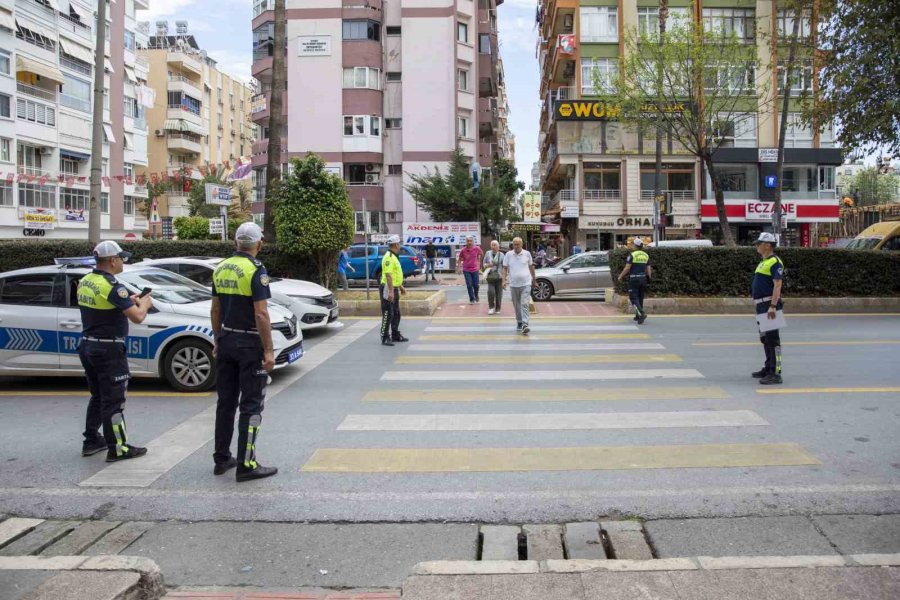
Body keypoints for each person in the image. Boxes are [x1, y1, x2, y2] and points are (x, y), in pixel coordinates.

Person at [211, 222, 278, 482]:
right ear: (258, 244)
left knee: (225, 403)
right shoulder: (255, 270)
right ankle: (246, 464)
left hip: (226, 340)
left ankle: (222, 458)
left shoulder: (222, 267)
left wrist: (218, 338)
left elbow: (215, 310)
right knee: (251, 406)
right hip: (249, 345)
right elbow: (261, 312)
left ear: (236, 243)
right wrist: (269, 350)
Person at [78, 241, 152, 461]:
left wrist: (126, 301)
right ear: (112, 260)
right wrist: (144, 305)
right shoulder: (113, 286)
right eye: (121, 258)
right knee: (114, 400)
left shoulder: (86, 281)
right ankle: (118, 448)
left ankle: (91, 439)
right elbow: (138, 317)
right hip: (108, 349)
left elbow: (101, 306)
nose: (123, 262)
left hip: (88, 345)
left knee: (98, 396)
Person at [752, 232, 785, 385]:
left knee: (773, 340)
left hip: (769, 306)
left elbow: (778, 285)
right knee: (765, 338)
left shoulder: (775, 262)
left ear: (768, 245)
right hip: (761, 305)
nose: (757, 246)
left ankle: (776, 372)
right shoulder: (763, 261)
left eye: (759, 243)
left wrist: (772, 305)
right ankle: (768, 367)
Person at [502, 237, 537, 335]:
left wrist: (534, 280)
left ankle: (525, 324)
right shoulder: (508, 255)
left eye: (518, 244)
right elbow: (505, 268)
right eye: (514, 244)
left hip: (526, 283)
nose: (516, 246)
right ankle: (519, 321)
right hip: (513, 284)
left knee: (524, 303)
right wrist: (503, 281)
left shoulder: (527, 254)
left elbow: (531, 267)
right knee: (516, 305)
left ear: (522, 245)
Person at [380, 235, 408, 346]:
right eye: (399, 244)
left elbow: (395, 274)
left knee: (396, 313)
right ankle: (385, 336)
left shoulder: (394, 256)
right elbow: (388, 275)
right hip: (387, 288)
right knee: (388, 313)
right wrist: (391, 291)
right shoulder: (389, 257)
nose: (400, 245)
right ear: (396, 245)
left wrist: (400, 286)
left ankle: (395, 335)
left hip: (394, 287)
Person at [617, 237, 652, 324]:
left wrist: (620, 276)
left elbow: (627, 268)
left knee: (633, 297)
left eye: (632, 244)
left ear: (635, 245)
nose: (632, 245)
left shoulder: (632, 255)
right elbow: (648, 269)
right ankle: (638, 316)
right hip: (643, 278)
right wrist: (649, 278)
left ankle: (642, 314)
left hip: (634, 279)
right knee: (640, 297)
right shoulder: (646, 255)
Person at [457, 236, 484, 304]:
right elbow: (460, 259)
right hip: (466, 269)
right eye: (468, 241)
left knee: (476, 285)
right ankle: (472, 299)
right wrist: (459, 268)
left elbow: (481, 254)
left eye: (470, 241)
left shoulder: (477, 248)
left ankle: (476, 295)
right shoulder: (463, 250)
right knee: (469, 285)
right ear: (466, 242)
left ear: (473, 242)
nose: (469, 242)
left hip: (475, 269)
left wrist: (479, 262)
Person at [483, 240, 505, 315]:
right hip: (490, 276)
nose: (493, 246)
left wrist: (505, 278)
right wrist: (487, 265)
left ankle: (498, 308)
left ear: (498, 247)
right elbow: (483, 264)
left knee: (499, 293)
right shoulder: (488, 253)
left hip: (499, 276)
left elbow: (504, 266)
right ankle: (491, 307)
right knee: (491, 292)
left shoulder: (501, 254)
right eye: (492, 245)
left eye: (495, 245)